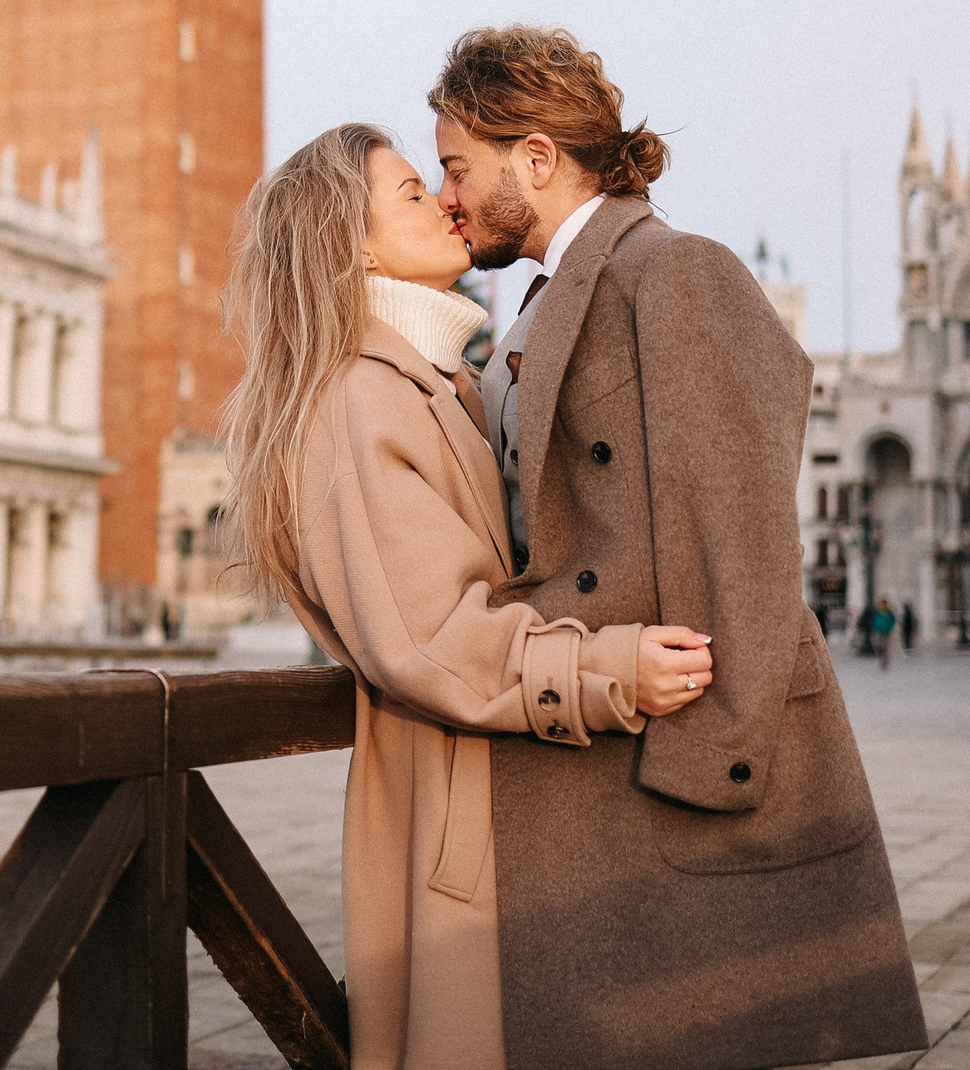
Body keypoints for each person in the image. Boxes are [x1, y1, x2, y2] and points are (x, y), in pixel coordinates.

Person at [431, 25, 927, 1070]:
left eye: (456, 166)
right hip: (590, 742)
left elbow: (740, 532)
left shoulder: (675, 273)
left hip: (670, 759)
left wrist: (716, 758)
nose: (446, 197)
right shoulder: (544, 297)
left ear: (534, 158)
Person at [221, 123, 717, 1070]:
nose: (447, 201)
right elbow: (434, 641)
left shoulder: (438, 383)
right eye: (413, 191)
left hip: (499, 815)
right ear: (351, 244)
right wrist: (613, 671)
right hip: (464, 840)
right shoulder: (358, 402)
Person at [871, 597, 897, 668]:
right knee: (878, 644)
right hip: (878, 631)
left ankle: (885, 662)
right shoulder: (877, 613)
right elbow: (874, 621)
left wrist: (889, 628)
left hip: (886, 632)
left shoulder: (889, 613)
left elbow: (893, 621)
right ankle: (880, 655)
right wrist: (875, 628)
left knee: (886, 648)